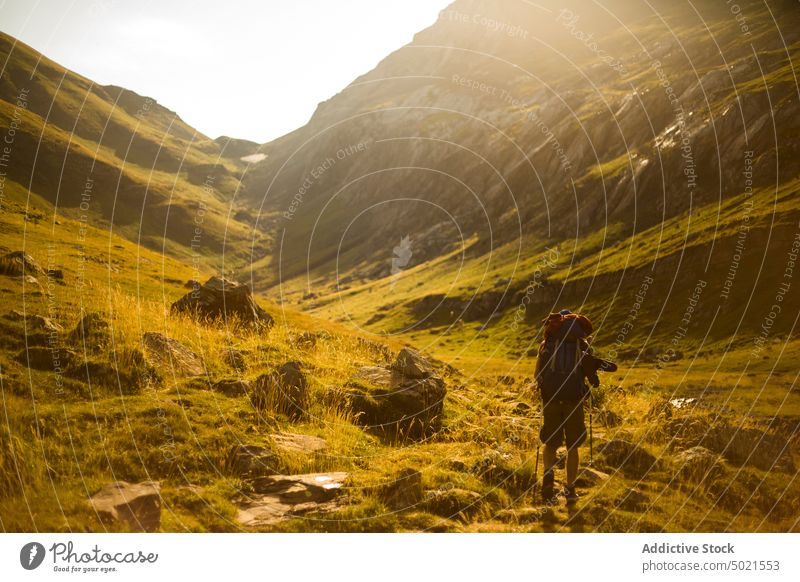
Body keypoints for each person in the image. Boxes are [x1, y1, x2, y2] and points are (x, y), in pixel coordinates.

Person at [534, 309, 609, 505]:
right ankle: (570, 489)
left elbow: (537, 375)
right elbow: (589, 376)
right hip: (574, 401)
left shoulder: (546, 345)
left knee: (550, 443)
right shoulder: (582, 346)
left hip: (551, 399)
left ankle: (548, 478)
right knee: (572, 446)